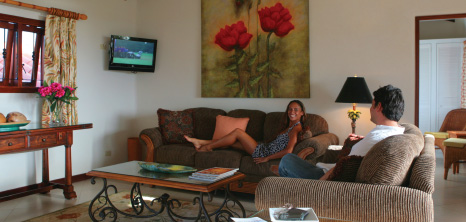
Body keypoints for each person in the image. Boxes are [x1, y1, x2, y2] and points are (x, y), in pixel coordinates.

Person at [279, 84, 405, 179]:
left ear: (379, 107)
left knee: (287, 160)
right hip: (329, 169)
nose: (370, 109)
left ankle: (291, 197)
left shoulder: (377, 137)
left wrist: (316, 188)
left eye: (372, 105)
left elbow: (341, 169)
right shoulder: (397, 131)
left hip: (325, 178)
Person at [185, 100, 306, 164]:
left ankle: (207, 147)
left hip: (263, 152)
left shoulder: (296, 128)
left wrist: (267, 158)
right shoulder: (289, 125)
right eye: (290, 109)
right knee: (230, 142)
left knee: (238, 132)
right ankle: (200, 142)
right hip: (264, 148)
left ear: (301, 113)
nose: (292, 112)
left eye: (296, 110)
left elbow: (289, 151)